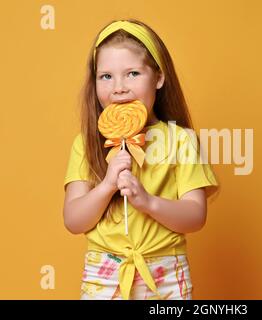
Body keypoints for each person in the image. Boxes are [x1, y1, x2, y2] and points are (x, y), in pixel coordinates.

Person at [63, 19, 219, 300]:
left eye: (132, 73)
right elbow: (74, 220)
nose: (119, 87)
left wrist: (147, 202)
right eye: (106, 76)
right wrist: (107, 185)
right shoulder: (86, 144)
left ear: (158, 78)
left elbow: (195, 216)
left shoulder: (180, 140)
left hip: (165, 274)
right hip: (104, 276)